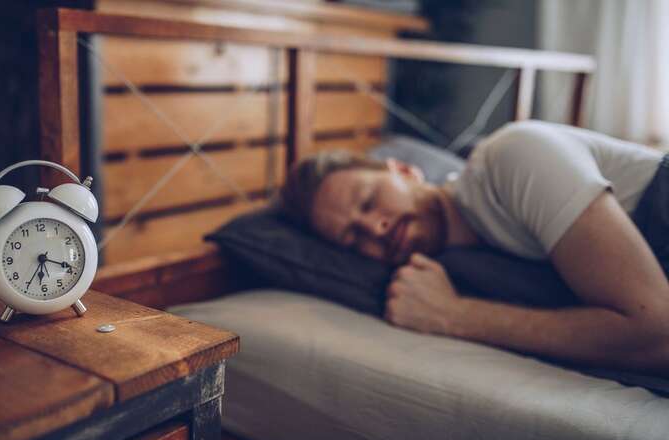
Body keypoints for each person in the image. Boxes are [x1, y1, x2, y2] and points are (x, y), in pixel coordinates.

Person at [280, 120, 669, 375]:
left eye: (367, 202)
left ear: (402, 170)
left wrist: (454, 315)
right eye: (352, 237)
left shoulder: (512, 157)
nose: (374, 228)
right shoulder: (469, 262)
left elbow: (656, 333)